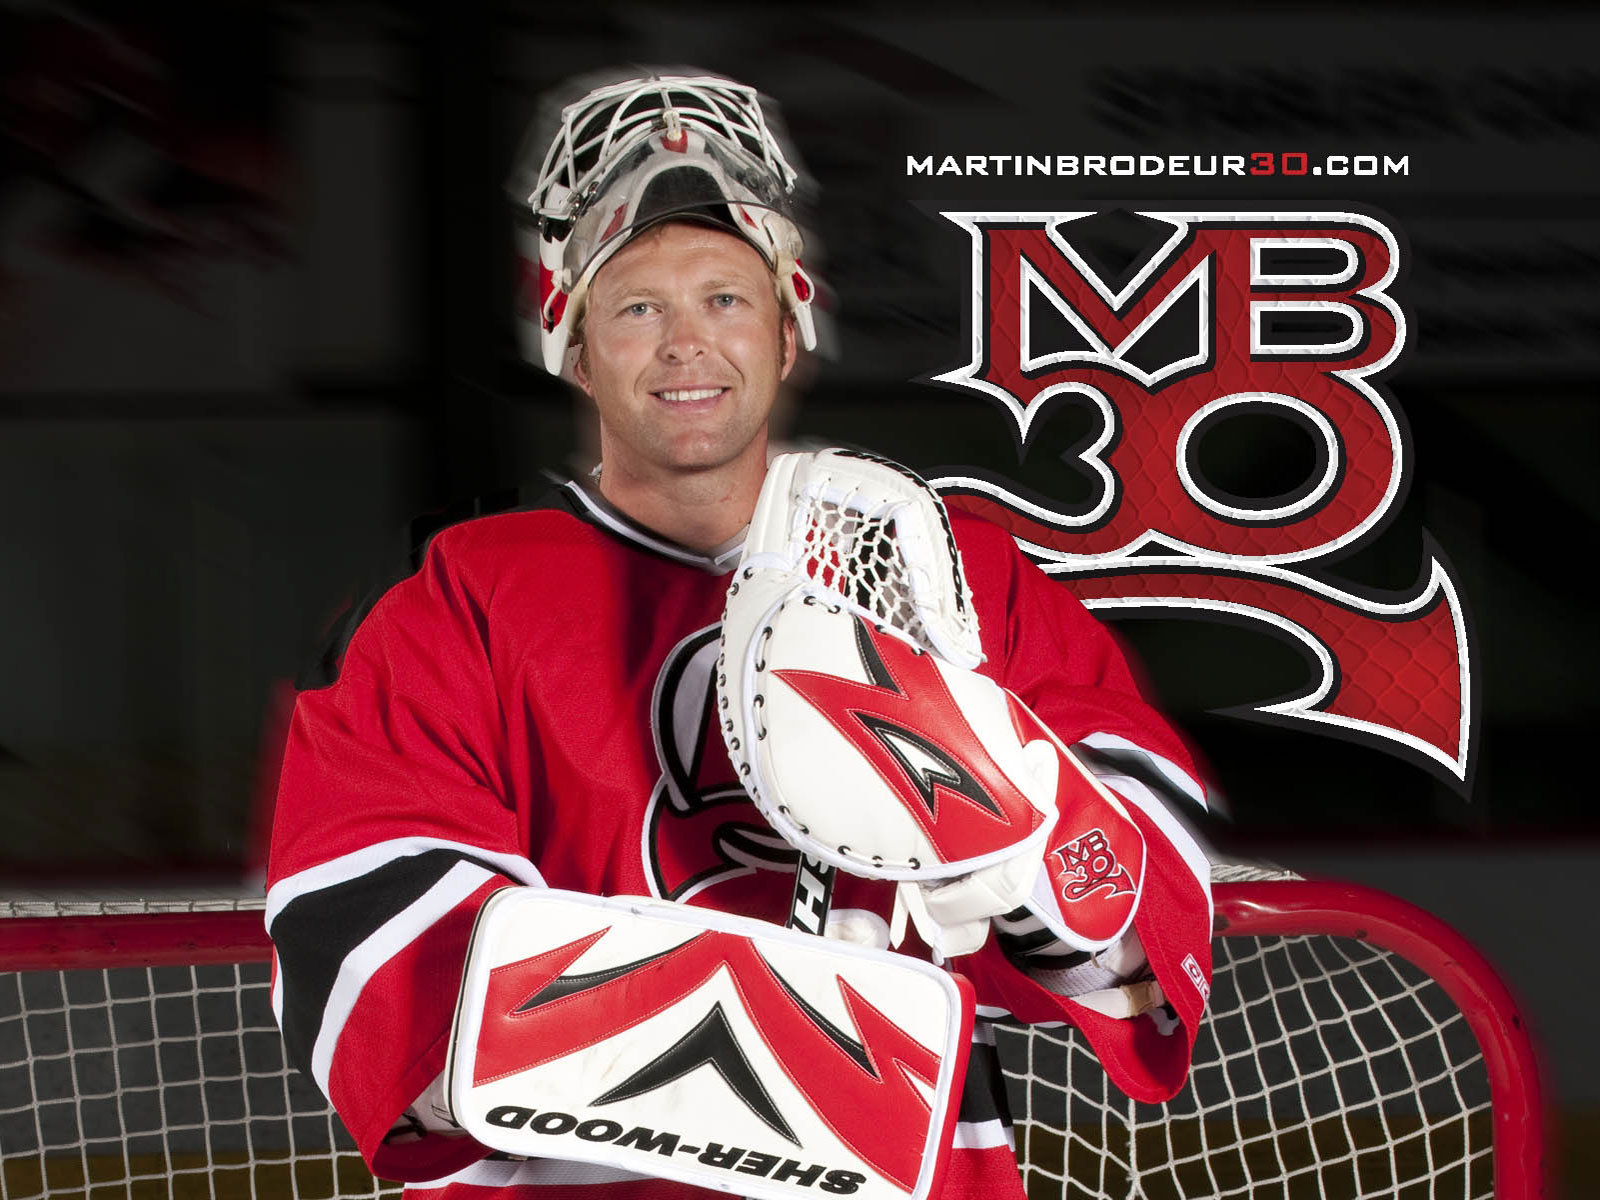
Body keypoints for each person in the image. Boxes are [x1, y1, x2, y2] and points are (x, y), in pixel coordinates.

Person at [266, 72, 1214, 1199]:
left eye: (725, 298)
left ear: (787, 327)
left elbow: (1139, 952)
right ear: (574, 347)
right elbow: (372, 953)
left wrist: (1040, 858)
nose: (687, 344)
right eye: (637, 308)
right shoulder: (455, 603)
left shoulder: (952, 578)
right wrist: (817, 1041)